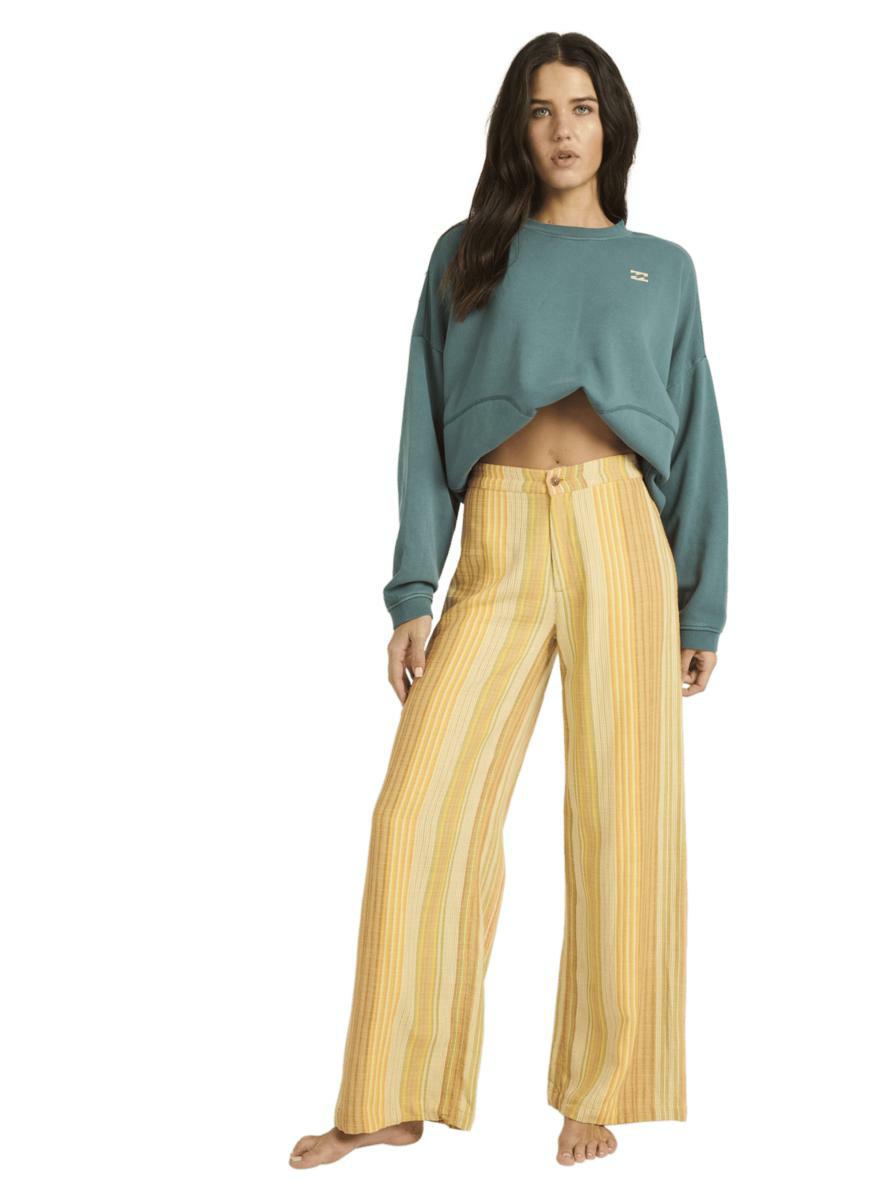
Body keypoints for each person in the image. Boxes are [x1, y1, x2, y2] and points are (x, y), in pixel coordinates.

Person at [290, 30, 728, 1170]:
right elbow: (419, 429)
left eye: (581, 107)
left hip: (622, 532)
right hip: (497, 531)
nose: (563, 129)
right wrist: (411, 589)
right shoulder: (467, 253)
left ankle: (603, 1090)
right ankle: (391, 1092)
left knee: (625, 816)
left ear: (611, 124)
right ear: (516, 129)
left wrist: (701, 608)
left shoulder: (663, 267)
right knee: (418, 812)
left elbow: (698, 440)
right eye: (540, 110)